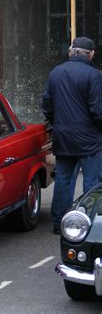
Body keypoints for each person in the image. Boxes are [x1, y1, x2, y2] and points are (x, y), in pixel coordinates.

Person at [42, 36, 102, 235]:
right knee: (92, 183)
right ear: (90, 53)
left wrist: (58, 123)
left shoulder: (55, 73)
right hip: (89, 140)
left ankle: (59, 223)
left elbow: (46, 106)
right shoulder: (94, 75)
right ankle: (89, 223)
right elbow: (97, 110)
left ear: (72, 52)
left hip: (63, 137)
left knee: (63, 180)